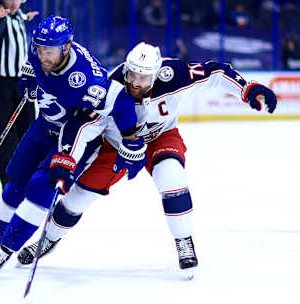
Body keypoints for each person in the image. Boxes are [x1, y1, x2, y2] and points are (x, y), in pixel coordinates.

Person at [17, 42, 278, 278]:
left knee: (172, 178)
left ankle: (183, 239)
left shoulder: (174, 75)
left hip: (161, 137)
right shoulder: (111, 86)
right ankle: (48, 239)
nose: (135, 82)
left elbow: (216, 73)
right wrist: (67, 158)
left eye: (143, 77)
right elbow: (84, 125)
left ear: (156, 73)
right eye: (131, 74)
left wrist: (247, 89)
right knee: (77, 197)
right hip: (117, 145)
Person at [0, 15, 140, 278]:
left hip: (72, 138)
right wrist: (27, 82)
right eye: (40, 48)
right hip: (43, 127)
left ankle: (6, 249)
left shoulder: (84, 79)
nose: (43, 55)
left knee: (40, 188)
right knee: (15, 185)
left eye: (50, 50)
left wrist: (130, 137)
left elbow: (122, 101)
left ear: (66, 47)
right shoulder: (41, 53)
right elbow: (32, 67)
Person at [0, 0, 39, 188]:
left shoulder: (18, 15)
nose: (15, 3)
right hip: (0, 85)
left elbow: (22, 14)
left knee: (28, 137)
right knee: (7, 142)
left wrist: (28, 16)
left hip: (22, 83)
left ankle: (27, 185)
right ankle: (9, 191)